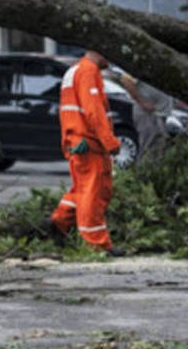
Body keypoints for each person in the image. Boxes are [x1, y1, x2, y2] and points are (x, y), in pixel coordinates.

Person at [47, 50, 124, 256]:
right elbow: (94, 112)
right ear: (99, 51)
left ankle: (60, 222)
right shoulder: (88, 72)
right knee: (93, 191)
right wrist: (110, 141)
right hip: (88, 142)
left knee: (81, 188)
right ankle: (96, 244)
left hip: (78, 141)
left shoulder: (75, 71)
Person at [117, 71, 173, 157]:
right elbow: (125, 80)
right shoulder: (145, 65)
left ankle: (150, 169)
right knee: (147, 147)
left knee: (157, 148)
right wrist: (142, 102)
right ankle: (140, 168)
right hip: (148, 113)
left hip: (160, 114)